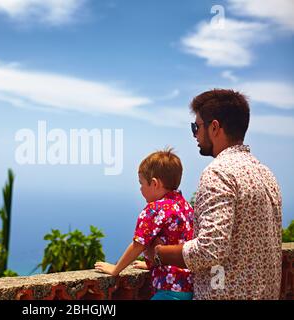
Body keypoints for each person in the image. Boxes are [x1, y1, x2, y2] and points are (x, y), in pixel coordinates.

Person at [147, 89, 282, 299]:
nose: (195, 135)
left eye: (196, 127)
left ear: (215, 127)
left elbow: (209, 249)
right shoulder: (265, 173)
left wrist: (159, 253)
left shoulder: (218, 172)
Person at [95, 148, 194, 300]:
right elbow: (174, 241)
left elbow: (138, 244)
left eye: (141, 183)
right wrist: (150, 264)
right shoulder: (184, 205)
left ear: (154, 184)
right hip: (188, 286)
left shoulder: (155, 209)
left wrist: (116, 269)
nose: (140, 189)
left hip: (168, 289)